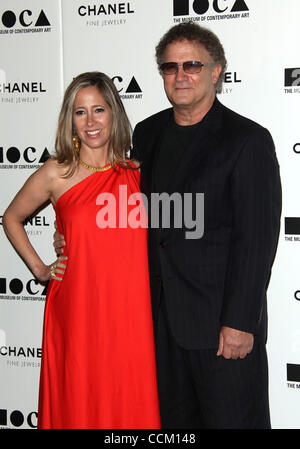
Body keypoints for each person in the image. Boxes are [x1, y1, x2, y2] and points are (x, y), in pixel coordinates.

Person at [54, 23, 282, 429]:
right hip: (155, 330)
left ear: (216, 72)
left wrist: (240, 322)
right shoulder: (148, 133)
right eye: (169, 67)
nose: (180, 75)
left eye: (192, 64)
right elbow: (124, 211)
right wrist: (71, 232)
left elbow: (257, 240)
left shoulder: (247, 140)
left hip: (220, 330)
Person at [2, 71, 160, 429]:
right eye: (80, 112)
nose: (90, 122)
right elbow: (11, 218)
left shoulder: (138, 172)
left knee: (127, 397)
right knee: (79, 398)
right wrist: (41, 269)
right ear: (69, 119)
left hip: (130, 311)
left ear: (114, 114)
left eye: (99, 110)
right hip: (78, 308)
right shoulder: (56, 172)